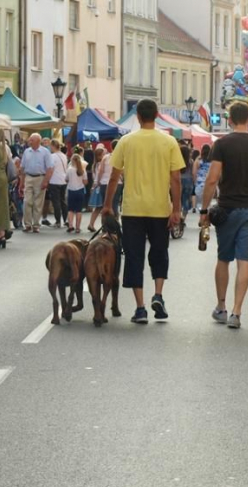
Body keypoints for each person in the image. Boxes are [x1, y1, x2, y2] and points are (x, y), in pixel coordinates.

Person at [102, 99, 185, 324]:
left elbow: (114, 177)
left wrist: (107, 205)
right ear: (157, 115)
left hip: (132, 210)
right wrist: (176, 209)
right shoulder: (169, 142)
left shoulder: (126, 142)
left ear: (137, 116)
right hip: (159, 208)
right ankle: (158, 294)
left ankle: (140, 308)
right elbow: (176, 178)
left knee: (134, 256)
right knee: (160, 252)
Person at [199, 101, 248, 329]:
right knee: (244, 261)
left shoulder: (222, 144)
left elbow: (212, 179)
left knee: (223, 258)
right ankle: (237, 312)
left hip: (228, 207)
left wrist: (204, 209)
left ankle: (221, 307)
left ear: (229, 119)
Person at [20, 133, 53, 233]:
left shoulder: (45, 152)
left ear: (38, 141)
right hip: (29, 177)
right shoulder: (27, 151)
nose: (29, 142)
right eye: (30, 140)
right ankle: (27, 224)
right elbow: (22, 167)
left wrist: (46, 181)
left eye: (31, 140)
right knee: (27, 201)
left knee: (38, 203)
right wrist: (21, 181)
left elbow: (50, 168)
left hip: (40, 177)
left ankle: (36, 225)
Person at [87, 145, 112, 232]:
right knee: (104, 206)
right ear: (99, 156)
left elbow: (95, 177)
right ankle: (104, 226)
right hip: (101, 186)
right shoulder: (100, 165)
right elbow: (99, 176)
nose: (106, 155)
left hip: (96, 187)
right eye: (104, 154)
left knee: (98, 208)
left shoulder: (94, 165)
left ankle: (91, 223)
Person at [65, 153, 88, 233]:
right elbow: (85, 182)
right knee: (79, 210)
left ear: (72, 160)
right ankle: (78, 227)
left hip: (71, 190)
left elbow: (66, 179)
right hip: (80, 190)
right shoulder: (82, 170)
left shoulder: (69, 169)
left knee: (70, 209)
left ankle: (71, 225)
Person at [48, 140, 68, 229]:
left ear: (53, 146)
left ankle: (58, 221)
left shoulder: (52, 156)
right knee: (63, 200)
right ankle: (66, 220)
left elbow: (51, 169)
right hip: (63, 180)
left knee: (56, 202)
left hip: (54, 180)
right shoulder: (64, 156)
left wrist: (47, 180)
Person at [193, 144, 212, 211]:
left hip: (199, 183)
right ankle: (205, 218)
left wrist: (195, 182)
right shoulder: (212, 160)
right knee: (207, 204)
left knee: (200, 204)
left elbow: (194, 172)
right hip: (209, 183)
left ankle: (201, 218)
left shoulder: (198, 160)